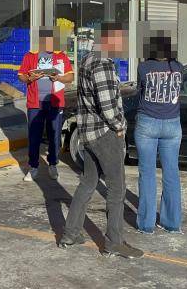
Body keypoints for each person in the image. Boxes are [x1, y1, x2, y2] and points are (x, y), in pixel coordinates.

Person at [59, 23, 143, 259]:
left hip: (87, 132)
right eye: (121, 41)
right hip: (105, 134)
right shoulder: (103, 64)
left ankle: (70, 233)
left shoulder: (87, 59)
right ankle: (114, 242)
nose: (123, 46)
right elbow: (107, 105)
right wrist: (120, 126)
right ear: (110, 40)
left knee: (87, 183)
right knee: (117, 188)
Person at [135, 28, 184, 234]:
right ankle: (171, 222)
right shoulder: (179, 68)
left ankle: (146, 225)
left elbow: (140, 90)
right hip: (172, 124)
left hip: (147, 123)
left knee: (147, 174)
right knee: (171, 174)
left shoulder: (143, 67)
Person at [18, 28, 74, 181]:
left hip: (55, 102)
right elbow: (21, 76)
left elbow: (70, 77)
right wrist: (30, 78)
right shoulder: (30, 56)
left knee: (54, 134)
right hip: (35, 102)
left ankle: (53, 165)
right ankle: (33, 166)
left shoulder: (61, 56)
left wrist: (59, 78)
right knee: (34, 135)